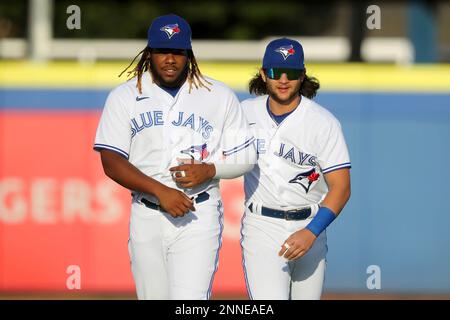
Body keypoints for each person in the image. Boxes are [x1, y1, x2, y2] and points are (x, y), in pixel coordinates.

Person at [93, 14, 256, 300]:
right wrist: (160, 191)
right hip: (147, 213)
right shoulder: (125, 96)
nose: (170, 59)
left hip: (198, 213)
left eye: (178, 51)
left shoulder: (218, 95)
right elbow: (110, 160)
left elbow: (246, 155)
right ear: (149, 53)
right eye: (162, 51)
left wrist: (210, 169)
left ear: (189, 54)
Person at [240, 38, 351, 300]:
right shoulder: (243, 113)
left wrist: (312, 231)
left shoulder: (323, 122)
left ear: (302, 76)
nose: (283, 79)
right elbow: (217, 159)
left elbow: (342, 188)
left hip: (311, 223)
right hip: (262, 225)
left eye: (291, 73)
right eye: (276, 72)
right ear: (263, 74)